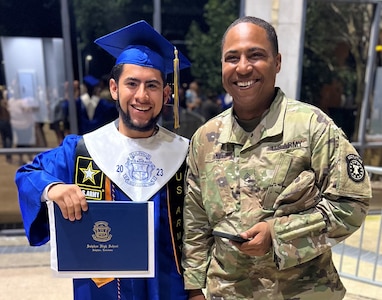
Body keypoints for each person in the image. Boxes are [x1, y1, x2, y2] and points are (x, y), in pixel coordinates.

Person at [182, 16, 371, 300]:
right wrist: (195, 289)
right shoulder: (205, 139)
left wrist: (278, 235)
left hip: (302, 292)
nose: (243, 67)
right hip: (228, 293)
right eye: (232, 58)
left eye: (255, 55)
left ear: (277, 62)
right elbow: (195, 222)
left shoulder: (312, 127)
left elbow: (351, 204)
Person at [15, 20, 191, 300]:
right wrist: (53, 189)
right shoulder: (83, 151)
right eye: (131, 84)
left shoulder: (185, 155)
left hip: (171, 291)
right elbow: (28, 174)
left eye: (152, 86)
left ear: (166, 94)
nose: (141, 96)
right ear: (114, 88)